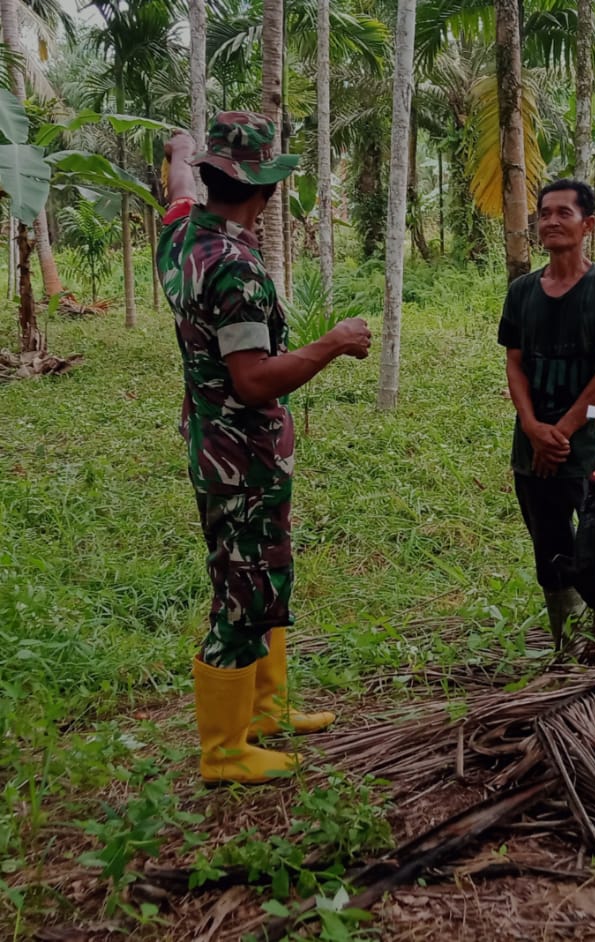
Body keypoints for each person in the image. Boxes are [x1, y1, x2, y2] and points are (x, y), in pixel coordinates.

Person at [157, 113, 372, 785]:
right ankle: (225, 749)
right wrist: (332, 343)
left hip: (212, 441)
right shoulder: (236, 269)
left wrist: (179, 151)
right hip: (240, 453)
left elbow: (173, 192)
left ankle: (266, 709)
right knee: (242, 592)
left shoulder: (181, 238)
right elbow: (252, 381)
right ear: (264, 193)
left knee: (262, 573)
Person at [499, 180, 595, 651]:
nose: (551, 221)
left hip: (594, 440)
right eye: (545, 214)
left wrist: (564, 429)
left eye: (564, 213)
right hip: (533, 446)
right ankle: (571, 644)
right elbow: (514, 364)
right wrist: (534, 429)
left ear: (588, 225)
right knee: (550, 546)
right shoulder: (521, 292)